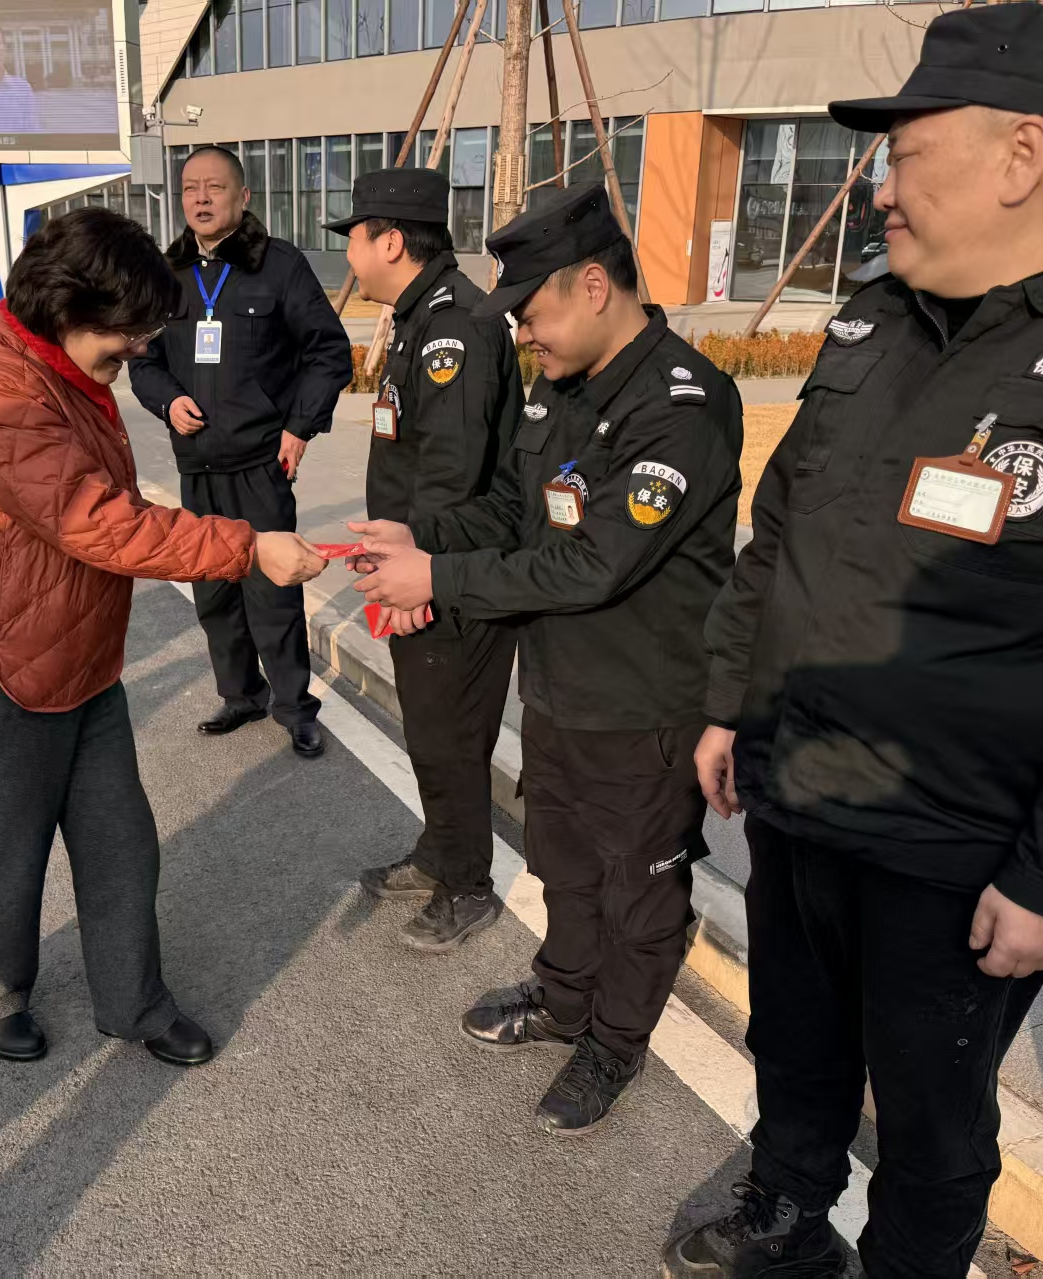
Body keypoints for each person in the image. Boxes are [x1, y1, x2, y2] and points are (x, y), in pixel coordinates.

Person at [666, 8, 1043, 1277]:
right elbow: (777, 533)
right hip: (801, 790)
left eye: (905, 152)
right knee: (793, 1044)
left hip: (958, 848)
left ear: (1020, 154)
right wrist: (728, 703)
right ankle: (786, 1210)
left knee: (927, 1115)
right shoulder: (872, 318)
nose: (880, 184)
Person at [0, 208, 327, 1066]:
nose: (138, 349)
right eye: (128, 332)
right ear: (69, 307)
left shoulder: (55, 366)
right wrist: (248, 546)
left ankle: (134, 1002)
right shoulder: (3, 394)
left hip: (74, 655)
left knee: (120, 841)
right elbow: (101, 523)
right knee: (3, 852)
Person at [351, 183, 744, 1134]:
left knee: (638, 891)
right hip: (560, 687)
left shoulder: (681, 405)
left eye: (532, 312)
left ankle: (614, 1041)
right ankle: (566, 998)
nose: (523, 333)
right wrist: (420, 537)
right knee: (562, 865)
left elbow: (592, 562)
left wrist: (439, 576)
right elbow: (511, 511)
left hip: (645, 705)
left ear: (594, 286)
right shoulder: (560, 389)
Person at [324, 168, 523, 952]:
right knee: (431, 729)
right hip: (419, 561)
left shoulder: (454, 329)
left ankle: (467, 884)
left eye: (355, 239)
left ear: (392, 242)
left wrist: (415, 577)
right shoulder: (419, 316)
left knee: (451, 736)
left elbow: (451, 472)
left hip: (451, 572)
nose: (349, 256)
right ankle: (441, 851)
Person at [130, 146, 353, 759]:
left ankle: (295, 707)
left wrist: (300, 427)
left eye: (215, 187)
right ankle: (240, 695)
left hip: (262, 462)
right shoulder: (167, 273)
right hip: (197, 463)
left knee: (272, 592)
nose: (200, 198)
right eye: (190, 188)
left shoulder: (279, 266)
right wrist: (168, 400)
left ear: (243, 196)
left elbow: (329, 352)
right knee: (214, 592)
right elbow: (143, 359)